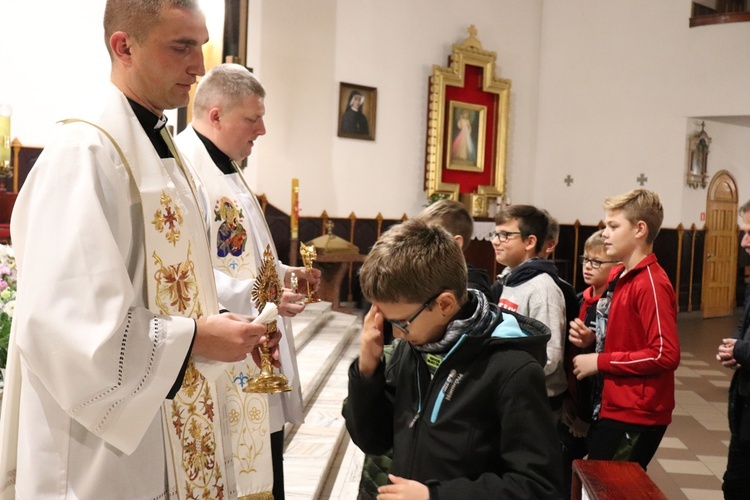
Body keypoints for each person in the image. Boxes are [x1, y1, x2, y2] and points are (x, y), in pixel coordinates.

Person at [0, 1, 279, 498]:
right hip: (96, 446)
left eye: (201, 45)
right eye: (182, 46)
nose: (199, 65)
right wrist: (194, 338)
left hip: (163, 417)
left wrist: (217, 326)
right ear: (123, 46)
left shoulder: (166, 154)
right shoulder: (84, 153)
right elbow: (68, 324)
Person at [176, 63, 321, 499]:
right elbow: (182, 269)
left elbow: (245, 255)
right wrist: (267, 295)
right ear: (216, 114)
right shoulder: (185, 170)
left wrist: (284, 274)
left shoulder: (228, 168)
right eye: (252, 118)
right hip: (224, 353)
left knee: (266, 462)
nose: (262, 129)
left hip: (258, 347)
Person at [343, 219, 562, 499]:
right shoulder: (411, 349)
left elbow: (539, 486)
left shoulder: (511, 369)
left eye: (402, 323)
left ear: (444, 304)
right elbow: (373, 440)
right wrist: (367, 371)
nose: (395, 334)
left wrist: (434, 496)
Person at [571, 189, 680, 470]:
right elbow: (628, 337)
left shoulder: (651, 283)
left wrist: (599, 361)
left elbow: (664, 354)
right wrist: (592, 339)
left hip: (636, 414)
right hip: (614, 404)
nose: (605, 233)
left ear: (639, 229)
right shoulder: (620, 274)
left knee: (609, 488)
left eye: (613, 226)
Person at [490, 205, 568, 419]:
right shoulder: (510, 279)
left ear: (530, 242)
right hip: (510, 390)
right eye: (496, 234)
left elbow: (550, 357)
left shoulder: (542, 289)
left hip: (535, 401)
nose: (495, 241)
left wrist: (499, 373)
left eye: (505, 235)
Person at [561, 230, 618, 498]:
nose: (588, 266)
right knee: (561, 465)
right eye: (586, 259)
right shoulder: (580, 298)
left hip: (597, 403)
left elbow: (616, 350)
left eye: (597, 262)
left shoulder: (613, 303)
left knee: (595, 477)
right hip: (575, 395)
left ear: (615, 267)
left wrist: (591, 342)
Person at [716, 199, 750, 499]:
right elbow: (745, 322)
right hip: (744, 404)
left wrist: (741, 351)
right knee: (734, 485)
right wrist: (734, 345)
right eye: (743, 232)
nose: (744, 242)